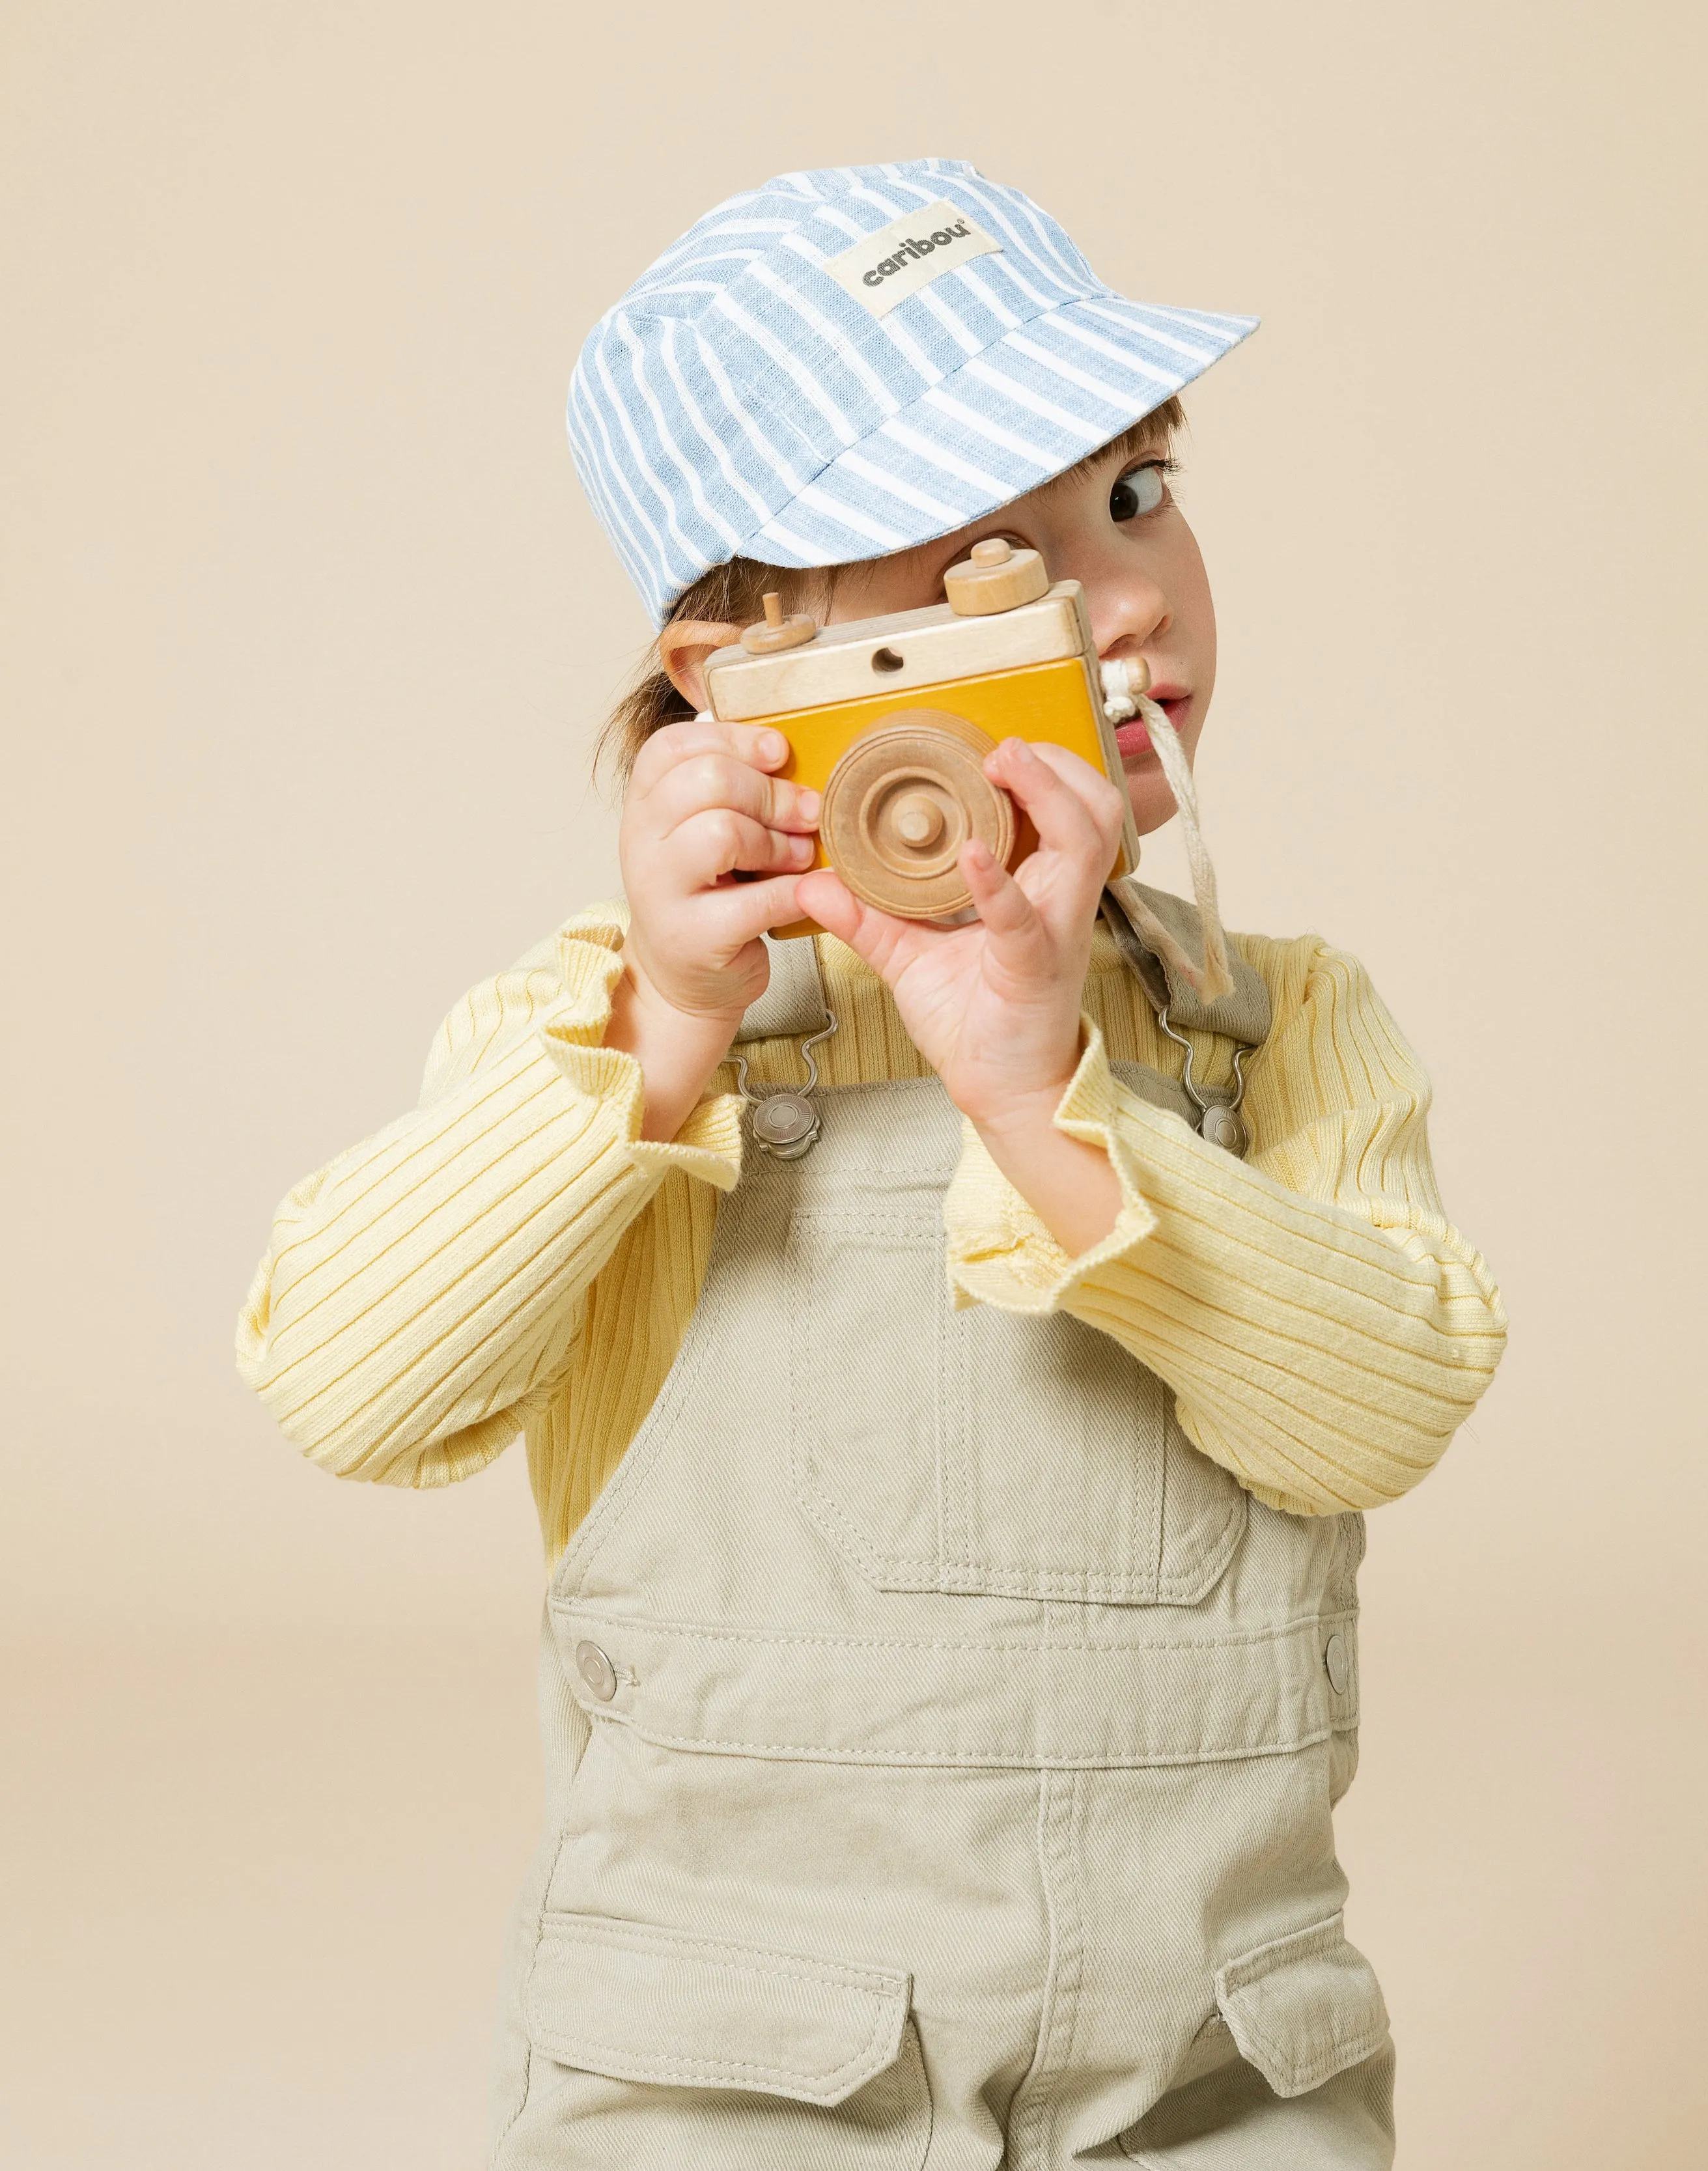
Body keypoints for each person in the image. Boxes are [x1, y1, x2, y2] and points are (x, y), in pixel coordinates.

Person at [237, 160, 1507, 2168]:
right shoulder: (614, 1030)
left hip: (1219, 2064)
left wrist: (1044, 1095)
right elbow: (349, 1386)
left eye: (1141, 494)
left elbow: (1385, 1404)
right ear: (736, 679)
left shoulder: (1278, 1026)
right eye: (1004, 568)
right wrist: (661, 1036)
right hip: (728, 2070)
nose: (1133, 595)